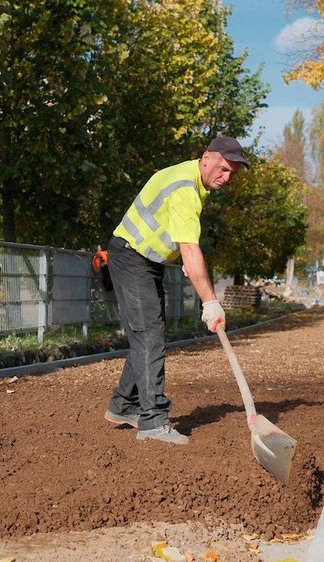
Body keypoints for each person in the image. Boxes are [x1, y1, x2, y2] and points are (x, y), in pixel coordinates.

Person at [104, 135, 247, 445]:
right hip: (131, 256)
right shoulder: (185, 188)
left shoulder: (192, 180)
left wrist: (182, 256)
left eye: (232, 174)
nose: (226, 178)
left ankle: (123, 405)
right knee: (149, 335)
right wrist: (210, 302)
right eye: (223, 169)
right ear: (206, 158)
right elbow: (190, 247)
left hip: (144, 259)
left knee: (148, 334)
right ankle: (153, 421)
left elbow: (178, 236)